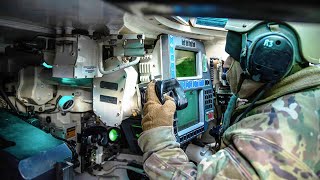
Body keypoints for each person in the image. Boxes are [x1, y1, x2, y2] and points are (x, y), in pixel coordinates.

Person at [138, 20, 320, 179]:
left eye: (233, 56)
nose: (225, 64)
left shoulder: (271, 139)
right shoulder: (307, 99)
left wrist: (158, 140)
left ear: (268, 61)